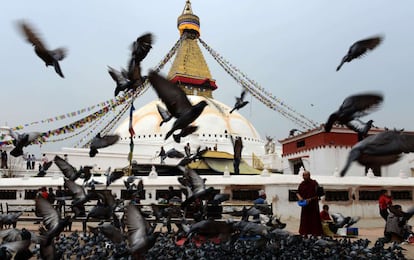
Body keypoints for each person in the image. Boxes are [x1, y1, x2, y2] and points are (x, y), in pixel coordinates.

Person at [296, 170, 323, 236]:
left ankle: (315, 232)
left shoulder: (314, 183)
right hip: (305, 204)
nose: (304, 177)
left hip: (313, 204)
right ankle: (304, 232)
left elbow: (320, 193)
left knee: (314, 218)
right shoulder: (302, 184)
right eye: (303, 175)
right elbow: (297, 192)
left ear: (309, 175)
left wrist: (310, 199)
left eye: (305, 175)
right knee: (305, 219)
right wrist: (299, 197)